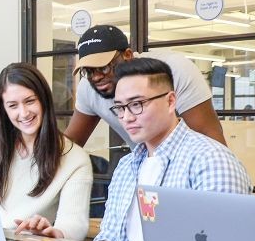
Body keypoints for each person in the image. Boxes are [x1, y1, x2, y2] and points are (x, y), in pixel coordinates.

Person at [92, 58, 251, 241]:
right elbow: (109, 236)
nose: (127, 117)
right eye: (120, 108)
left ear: (170, 101)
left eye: (137, 104)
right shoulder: (127, 165)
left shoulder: (211, 160)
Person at [0, 63, 93, 241]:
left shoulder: (76, 159)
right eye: (13, 105)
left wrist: (53, 233)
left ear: (44, 100)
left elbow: (74, 224)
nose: (24, 113)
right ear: (3, 109)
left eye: (30, 101)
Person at [64, 25, 226, 150]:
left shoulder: (174, 70)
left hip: (191, 170)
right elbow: (70, 146)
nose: (97, 77)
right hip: (145, 165)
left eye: (104, 67)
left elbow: (210, 139)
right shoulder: (89, 88)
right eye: (89, 71)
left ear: (128, 55)